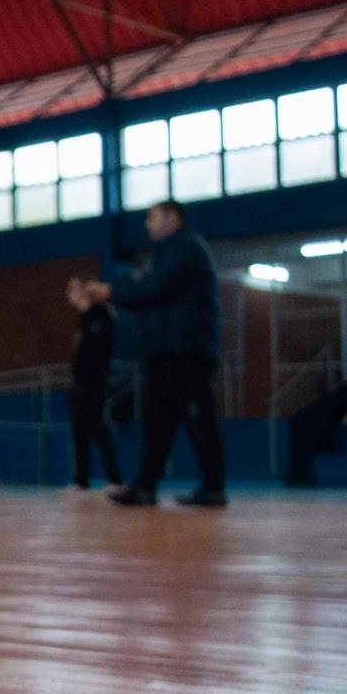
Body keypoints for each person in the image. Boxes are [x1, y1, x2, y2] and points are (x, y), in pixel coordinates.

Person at [83, 200, 226, 507]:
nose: (147, 223)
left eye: (152, 217)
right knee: (156, 421)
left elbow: (154, 288)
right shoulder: (168, 253)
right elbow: (149, 291)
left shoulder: (187, 249)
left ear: (172, 218)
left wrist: (110, 292)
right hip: (163, 350)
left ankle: (214, 487)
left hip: (186, 350)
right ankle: (145, 486)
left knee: (197, 418)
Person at [65, 276, 124, 495]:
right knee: (79, 431)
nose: (71, 294)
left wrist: (85, 301)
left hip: (93, 383)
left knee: (98, 428)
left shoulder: (100, 315)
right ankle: (82, 482)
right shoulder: (87, 319)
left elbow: (95, 352)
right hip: (81, 383)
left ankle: (115, 480)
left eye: (76, 290)